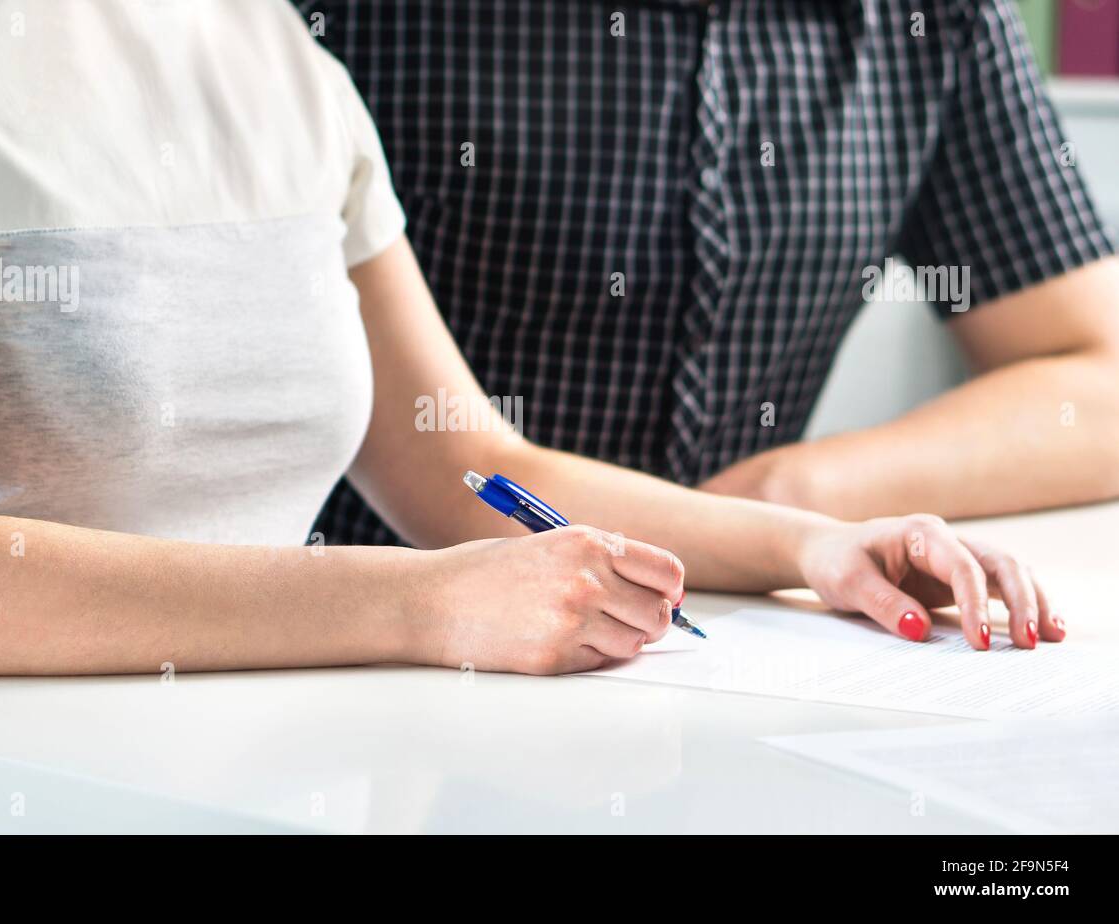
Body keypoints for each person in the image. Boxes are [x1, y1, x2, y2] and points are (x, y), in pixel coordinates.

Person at [0, 0, 1064, 679]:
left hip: (271, 783)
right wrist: (426, 608)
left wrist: (814, 544)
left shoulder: (278, 53)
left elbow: (458, 467)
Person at [298, 0, 1119, 554]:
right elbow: (458, 474)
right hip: (377, 657)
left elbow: (1097, 381)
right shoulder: (355, 22)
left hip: (727, 639)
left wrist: (790, 491)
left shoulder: (930, 20)